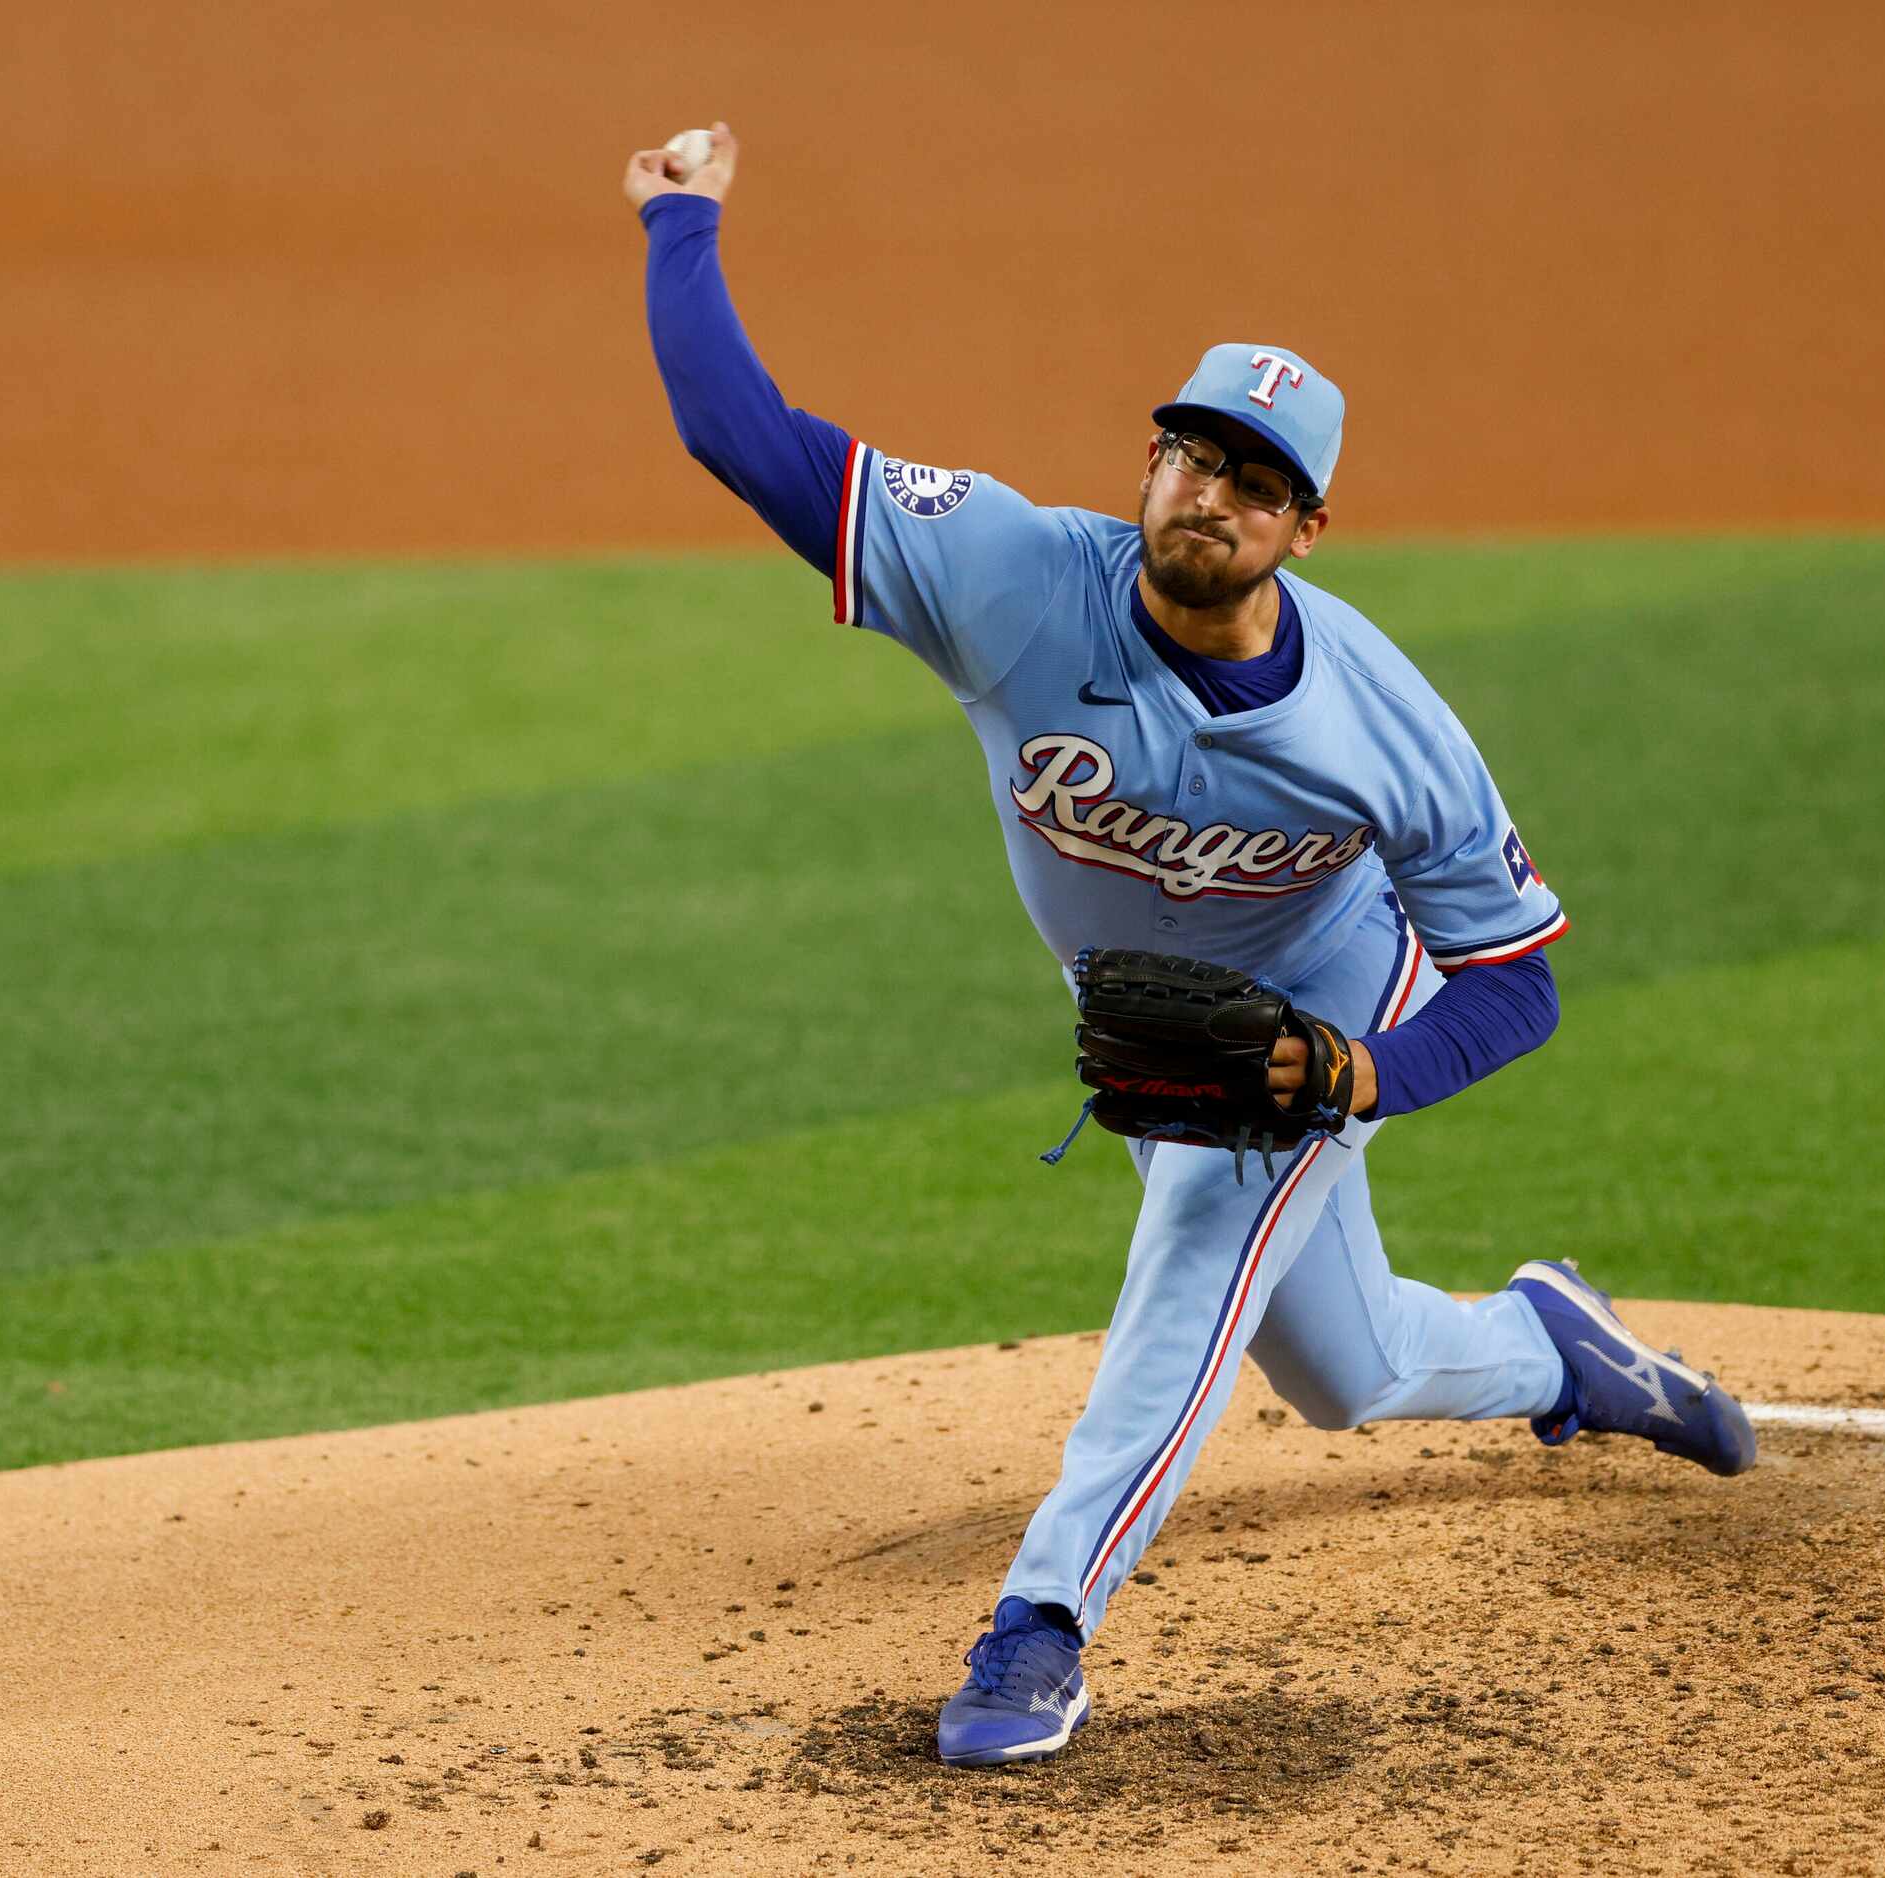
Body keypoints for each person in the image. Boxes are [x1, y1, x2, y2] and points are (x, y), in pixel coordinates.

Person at [623, 125, 1754, 1769]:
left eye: (1256, 481)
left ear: (1306, 528)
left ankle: (1043, 1616)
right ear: (1146, 460)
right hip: (1160, 1012)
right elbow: (743, 437)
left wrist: (1360, 1067)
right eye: (1191, 456)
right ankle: (1556, 1349)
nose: (1210, 495)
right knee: (1346, 1368)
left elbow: (1520, 974)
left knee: (1198, 1254)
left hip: (1320, 1000)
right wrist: (681, 221)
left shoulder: (1386, 725)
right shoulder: (1010, 574)